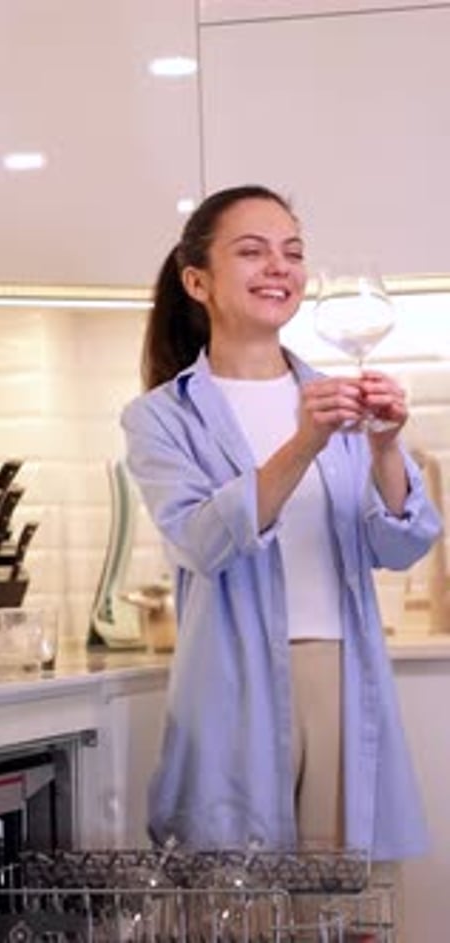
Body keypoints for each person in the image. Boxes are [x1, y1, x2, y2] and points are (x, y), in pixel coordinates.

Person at [121, 185, 441, 862]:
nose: (280, 266)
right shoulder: (161, 417)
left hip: (343, 669)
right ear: (196, 279)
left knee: (344, 903)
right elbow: (200, 540)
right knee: (235, 902)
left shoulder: (334, 397)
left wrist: (384, 445)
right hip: (230, 680)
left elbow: (401, 542)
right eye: (252, 251)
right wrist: (303, 444)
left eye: (292, 253)